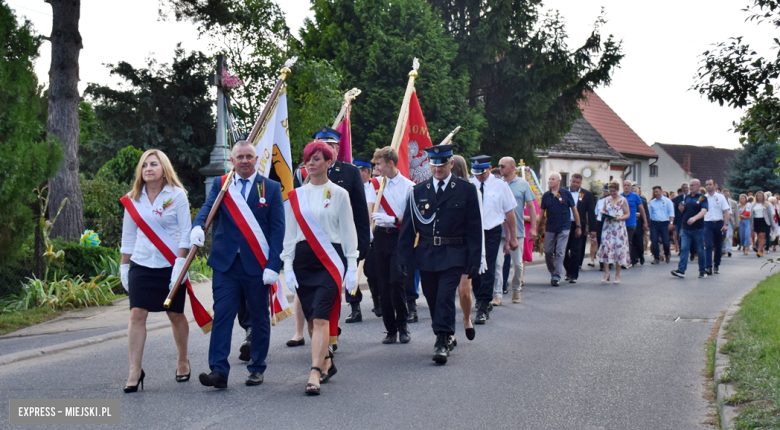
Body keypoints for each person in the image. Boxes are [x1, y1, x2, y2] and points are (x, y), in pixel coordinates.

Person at [192, 141, 285, 389]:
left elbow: (278, 230)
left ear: (256, 160)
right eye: (239, 157)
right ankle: (219, 371)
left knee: (258, 316)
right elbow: (207, 208)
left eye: (249, 156)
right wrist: (197, 227)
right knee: (222, 315)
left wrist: (273, 265)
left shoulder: (271, 188)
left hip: (257, 266)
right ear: (232, 161)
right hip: (226, 264)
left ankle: (257, 367)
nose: (244, 161)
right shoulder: (222, 185)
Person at [283, 140, 358, 395]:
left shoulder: (339, 194)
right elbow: (290, 235)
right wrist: (288, 265)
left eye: (317, 159)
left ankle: (314, 371)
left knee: (321, 317)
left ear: (329, 162)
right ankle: (326, 361)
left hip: (330, 262)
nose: (311, 163)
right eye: (308, 159)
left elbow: (348, 233)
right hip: (304, 261)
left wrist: (352, 267)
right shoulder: (295, 196)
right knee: (313, 322)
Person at [398, 144, 482, 364]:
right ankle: (445, 333)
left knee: (445, 296)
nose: (437, 168)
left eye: (442, 164)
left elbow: (474, 227)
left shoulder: (466, 189)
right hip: (426, 253)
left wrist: (474, 259)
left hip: (454, 252)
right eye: (434, 164)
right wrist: (403, 259)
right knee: (433, 296)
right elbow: (409, 228)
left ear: (451, 164)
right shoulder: (418, 191)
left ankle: (442, 339)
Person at [119, 149, 193, 393]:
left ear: (164, 169)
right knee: (136, 314)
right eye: (144, 165)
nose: (148, 169)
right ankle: (134, 370)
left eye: (154, 164)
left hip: (171, 264)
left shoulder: (177, 195)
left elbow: (186, 232)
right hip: (141, 263)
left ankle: (183, 359)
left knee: (175, 314)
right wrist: (124, 265)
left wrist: (180, 264)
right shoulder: (133, 198)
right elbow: (128, 235)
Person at [289, 127, 369, 346]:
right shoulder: (301, 174)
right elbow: (295, 213)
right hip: (306, 248)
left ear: (335, 150)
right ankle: (312, 337)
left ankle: (328, 338)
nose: (327, 149)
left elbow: (359, 212)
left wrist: (362, 246)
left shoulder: (350, 173)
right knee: (307, 298)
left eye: (331, 145)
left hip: (335, 246)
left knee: (327, 298)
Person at [369, 147, 414, 344]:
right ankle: (390, 329)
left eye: (379, 164)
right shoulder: (375, 184)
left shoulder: (409, 186)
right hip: (380, 237)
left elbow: (411, 218)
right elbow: (370, 210)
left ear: (390, 163)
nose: (376, 168)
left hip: (399, 238)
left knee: (397, 281)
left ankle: (403, 323)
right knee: (384, 284)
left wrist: (393, 218)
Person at [469, 155, 517, 321]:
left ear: (489, 169)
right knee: (474, 267)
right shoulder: (469, 184)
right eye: (476, 173)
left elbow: (509, 212)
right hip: (473, 231)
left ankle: (483, 304)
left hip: (492, 230)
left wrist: (513, 238)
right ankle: (480, 297)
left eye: (482, 173)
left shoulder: (500, 185)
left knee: (488, 266)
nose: (479, 177)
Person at [495, 157, 538, 302]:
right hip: (497, 230)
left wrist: (533, 228)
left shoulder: (523, 184)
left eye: (502, 166)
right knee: (497, 264)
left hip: (517, 230)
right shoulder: (496, 184)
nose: (499, 168)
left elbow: (531, 207)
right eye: (499, 166)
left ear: (512, 167)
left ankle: (516, 290)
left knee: (518, 264)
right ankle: (497, 295)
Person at [449, 154, 477, 339]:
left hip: (465, 246)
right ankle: (448, 331)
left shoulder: (471, 190)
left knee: (464, 291)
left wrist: (477, 254)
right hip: (447, 247)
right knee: (446, 292)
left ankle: (467, 318)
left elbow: (476, 223)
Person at [539, 172, 581, 286]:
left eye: (553, 179)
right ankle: (553, 272)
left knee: (560, 251)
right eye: (549, 179)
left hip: (564, 226)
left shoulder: (566, 193)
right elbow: (541, 213)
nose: (550, 181)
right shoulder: (546, 195)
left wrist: (578, 226)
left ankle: (556, 276)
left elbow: (574, 210)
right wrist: (537, 228)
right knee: (547, 251)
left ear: (559, 181)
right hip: (550, 227)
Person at [353, 155, 381, 318]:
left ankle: (377, 301)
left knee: (372, 271)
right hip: (353, 234)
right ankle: (355, 308)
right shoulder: (349, 188)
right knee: (352, 272)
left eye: (359, 172)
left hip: (371, 235)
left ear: (366, 172)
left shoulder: (375, 187)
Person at [671, 179, 708, 279]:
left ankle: (702, 271)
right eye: (690, 185)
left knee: (700, 250)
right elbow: (685, 211)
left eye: (693, 185)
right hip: (686, 228)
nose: (690, 187)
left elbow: (704, 210)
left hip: (698, 228)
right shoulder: (687, 197)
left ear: (699, 186)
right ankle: (681, 270)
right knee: (684, 249)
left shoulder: (701, 198)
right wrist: (681, 209)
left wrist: (694, 218)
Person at [563, 173, 596, 283]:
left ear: (580, 183)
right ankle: (568, 270)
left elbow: (591, 212)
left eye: (577, 182)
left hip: (578, 226)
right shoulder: (562, 192)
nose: (575, 184)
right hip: (564, 224)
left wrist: (593, 229)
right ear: (570, 181)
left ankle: (573, 275)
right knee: (562, 250)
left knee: (576, 251)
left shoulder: (587, 194)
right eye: (573, 182)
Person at [596, 180, 631, 283]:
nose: (612, 193)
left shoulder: (622, 200)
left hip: (619, 227)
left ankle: (617, 275)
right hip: (608, 227)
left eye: (614, 191)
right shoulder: (606, 199)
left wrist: (619, 218)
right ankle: (606, 273)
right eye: (610, 191)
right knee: (606, 248)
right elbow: (604, 210)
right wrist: (603, 212)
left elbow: (627, 214)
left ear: (617, 190)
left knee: (618, 250)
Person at [703, 180, 730, 274]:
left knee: (718, 246)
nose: (708, 186)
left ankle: (717, 264)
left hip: (718, 223)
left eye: (710, 184)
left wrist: (726, 224)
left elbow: (726, 211)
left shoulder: (721, 197)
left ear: (714, 186)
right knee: (708, 244)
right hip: (707, 223)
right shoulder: (703, 198)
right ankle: (708, 266)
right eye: (707, 185)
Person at [647, 185, 674, 264]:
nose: (656, 193)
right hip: (654, 223)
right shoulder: (652, 202)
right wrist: (649, 224)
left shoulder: (667, 201)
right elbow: (650, 214)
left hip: (664, 223)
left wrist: (671, 223)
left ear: (661, 191)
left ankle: (667, 255)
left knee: (665, 241)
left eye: (657, 192)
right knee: (654, 241)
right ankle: (656, 258)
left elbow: (671, 213)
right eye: (654, 192)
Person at [625, 183, 649, 265]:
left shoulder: (642, 200)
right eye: (633, 191)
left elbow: (645, 212)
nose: (634, 193)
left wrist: (646, 223)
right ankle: (633, 258)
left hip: (639, 223)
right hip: (628, 223)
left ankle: (641, 255)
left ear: (639, 192)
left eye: (636, 191)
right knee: (630, 241)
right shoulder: (623, 197)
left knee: (638, 241)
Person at [750, 191, 774, 257]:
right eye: (758, 196)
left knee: (761, 235)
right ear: (756, 197)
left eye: (761, 196)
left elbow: (770, 215)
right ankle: (761, 250)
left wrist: (773, 224)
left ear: (763, 196)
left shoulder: (766, 204)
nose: (759, 197)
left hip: (764, 221)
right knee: (758, 236)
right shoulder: (754, 205)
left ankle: (759, 250)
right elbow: (751, 216)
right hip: (756, 221)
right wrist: (751, 225)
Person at [672, 182, 689, 255]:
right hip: (680, 220)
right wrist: (674, 222)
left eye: (686, 188)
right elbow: (674, 209)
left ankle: (691, 251)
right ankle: (681, 249)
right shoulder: (678, 198)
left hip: (690, 219)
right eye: (684, 188)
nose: (685, 189)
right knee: (680, 235)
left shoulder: (692, 196)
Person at [722, 189, 738, 258]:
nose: (725, 194)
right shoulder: (720, 201)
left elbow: (736, 214)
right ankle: (723, 248)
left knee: (729, 235)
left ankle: (729, 249)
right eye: (724, 193)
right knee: (724, 236)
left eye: (727, 193)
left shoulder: (733, 203)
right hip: (721, 220)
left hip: (730, 220)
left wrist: (736, 223)